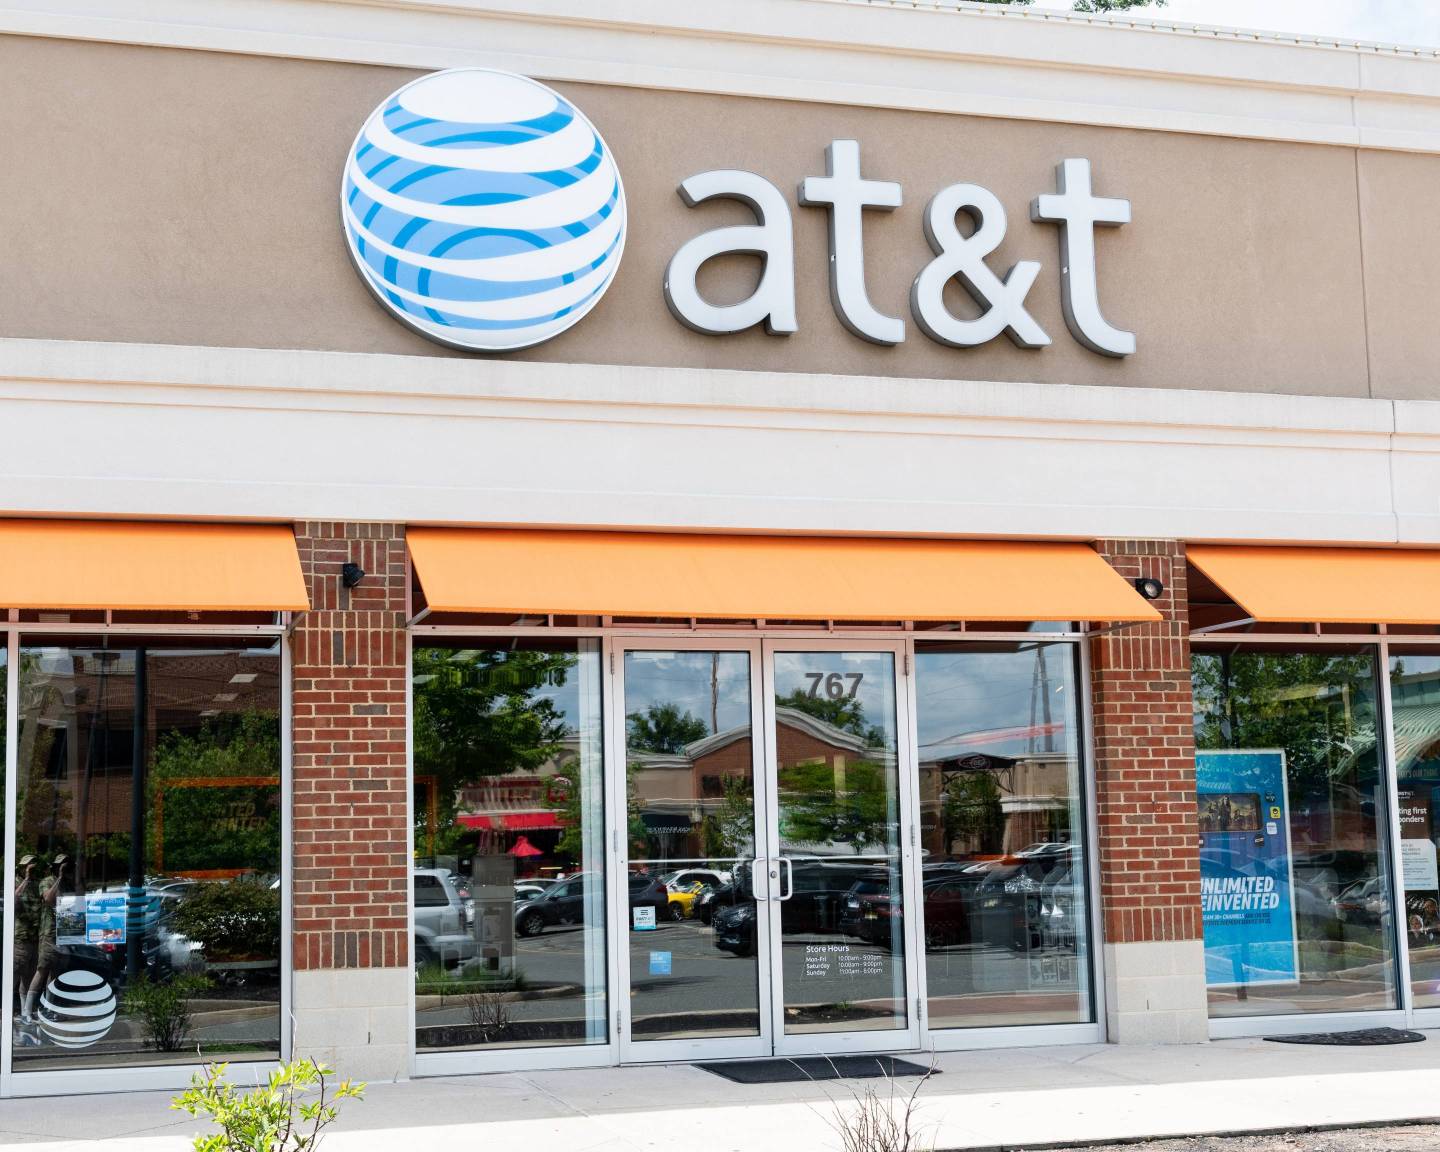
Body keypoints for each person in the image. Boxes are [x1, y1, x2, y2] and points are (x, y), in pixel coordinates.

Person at [20, 854, 68, 1024]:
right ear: (55, 866)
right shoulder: (47, 881)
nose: (64, 867)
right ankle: (26, 1010)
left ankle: (49, 1009)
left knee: (54, 974)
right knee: (42, 970)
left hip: (62, 933)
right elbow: (48, 898)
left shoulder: (66, 883)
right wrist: (60, 878)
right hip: (48, 932)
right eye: (61, 865)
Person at [12, 854, 38, 1023]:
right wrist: (26, 879)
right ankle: (5, 1009)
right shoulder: (14, 880)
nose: (31, 868)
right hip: (20, 937)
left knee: (27, 977)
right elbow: (13, 900)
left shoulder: (37, 884)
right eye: (28, 866)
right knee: (14, 974)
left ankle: (25, 1012)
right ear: (22, 867)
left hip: (33, 936)